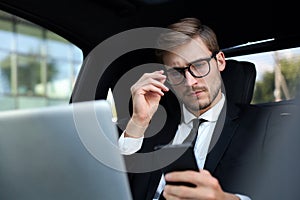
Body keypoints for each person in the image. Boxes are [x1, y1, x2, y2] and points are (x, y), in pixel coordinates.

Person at [118, 17, 262, 200]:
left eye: (199, 65)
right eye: (177, 72)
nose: (190, 82)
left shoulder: (261, 125)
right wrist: (138, 121)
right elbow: (113, 189)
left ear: (220, 61)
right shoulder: (150, 129)